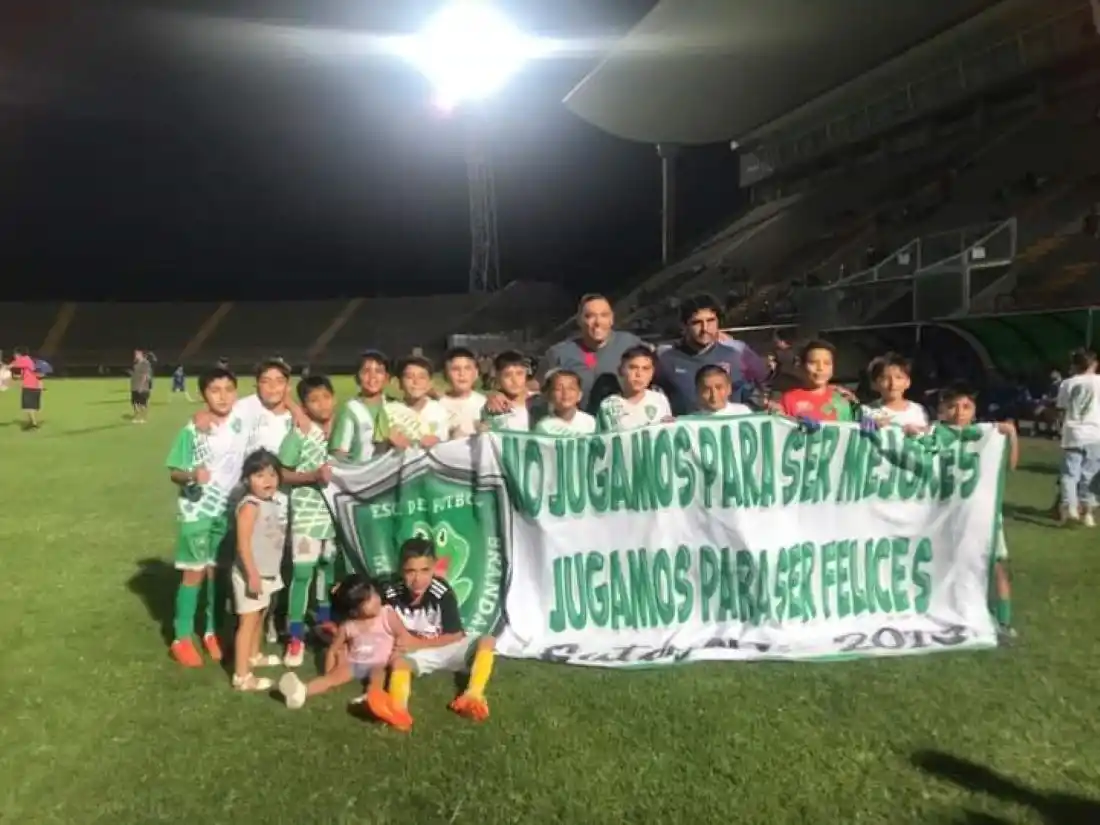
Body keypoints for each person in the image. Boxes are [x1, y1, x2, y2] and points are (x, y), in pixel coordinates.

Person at [164, 367, 250, 667]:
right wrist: (192, 476)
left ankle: (211, 632)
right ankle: (181, 637)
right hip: (197, 510)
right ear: (204, 395)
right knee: (194, 572)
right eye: (215, 390)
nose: (222, 396)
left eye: (228, 389)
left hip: (227, 510)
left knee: (218, 571)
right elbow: (175, 471)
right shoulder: (193, 429)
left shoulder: (241, 421)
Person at [934, 382, 1018, 637]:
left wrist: (1011, 436)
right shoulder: (934, 434)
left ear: (974, 410)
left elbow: (1010, 466)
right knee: (946, 563)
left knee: (995, 563)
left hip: (981, 514)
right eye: (952, 406)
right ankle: (950, 611)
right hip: (945, 513)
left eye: (966, 406)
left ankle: (1003, 619)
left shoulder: (986, 435)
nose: (959, 412)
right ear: (941, 410)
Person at [385, 537, 496, 729]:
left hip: (445, 646)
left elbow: (456, 635)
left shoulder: (441, 591)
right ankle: (398, 709)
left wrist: (417, 643)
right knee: (398, 662)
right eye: (410, 571)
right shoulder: (389, 592)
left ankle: (473, 695)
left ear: (434, 568)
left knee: (487, 640)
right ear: (401, 570)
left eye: (425, 570)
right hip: (416, 653)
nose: (418, 579)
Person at [278, 575, 413, 729]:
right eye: (368, 600)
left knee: (377, 675)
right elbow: (333, 649)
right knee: (332, 679)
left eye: (374, 593)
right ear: (354, 610)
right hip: (354, 662)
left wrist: (397, 653)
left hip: (380, 662)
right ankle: (301, 691)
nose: (375, 599)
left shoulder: (387, 615)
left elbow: (402, 634)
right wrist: (329, 672)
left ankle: (371, 698)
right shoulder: (349, 626)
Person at [486, 294, 644, 417]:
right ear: (579, 320)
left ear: (611, 319)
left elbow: (653, 381)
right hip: (576, 432)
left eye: (604, 315)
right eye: (590, 316)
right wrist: (499, 394)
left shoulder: (631, 344)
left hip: (619, 430)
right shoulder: (559, 353)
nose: (597, 322)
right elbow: (535, 386)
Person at [277, 375, 338, 667]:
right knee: (302, 573)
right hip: (305, 514)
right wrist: (312, 476)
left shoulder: (340, 430)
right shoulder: (299, 433)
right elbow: (281, 472)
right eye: (314, 400)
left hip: (334, 515)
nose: (321, 404)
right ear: (304, 406)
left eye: (326, 397)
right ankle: (295, 636)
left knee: (327, 567)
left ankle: (325, 623)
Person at [231, 449, 289, 691]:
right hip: (252, 574)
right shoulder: (250, 506)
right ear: (247, 479)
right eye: (260, 475)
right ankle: (242, 676)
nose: (268, 481)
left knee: (260, 614)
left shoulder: (271, 502)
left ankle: (254, 656)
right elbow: (243, 544)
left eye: (272, 475)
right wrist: (252, 575)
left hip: (268, 572)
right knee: (248, 621)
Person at [655, 294, 767, 414]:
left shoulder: (736, 355)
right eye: (697, 322)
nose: (705, 328)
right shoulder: (665, 359)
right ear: (683, 325)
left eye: (710, 321)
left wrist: (764, 405)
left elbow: (760, 388)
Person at [1055, 348, 1100, 527]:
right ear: (1093, 364)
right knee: (1089, 475)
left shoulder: (1068, 383)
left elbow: (1061, 409)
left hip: (1073, 432)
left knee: (1069, 474)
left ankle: (1070, 507)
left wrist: (1060, 427)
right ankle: (1088, 512)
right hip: (1095, 433)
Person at [330, 350, 392, 463]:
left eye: (378, 371)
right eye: (366, 371)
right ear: (357, 378)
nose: (372, 376)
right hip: (361, 470)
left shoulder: (394, 406)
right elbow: (339, 453)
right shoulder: (350, 409)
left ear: (386, 378)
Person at [779, 339, 861, 423]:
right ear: (802, 366)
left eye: (827, 363)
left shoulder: (843, 399)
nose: (820, 368)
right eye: (813, 362)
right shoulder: (789, 400)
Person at [597, 345, 673, 432]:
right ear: (621, 370)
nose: (639, 374)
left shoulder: (660, 400)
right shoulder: (608, 406)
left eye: (645, 369)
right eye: (633, 368)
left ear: (652, 373)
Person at [384, 356, 451, 448]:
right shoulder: (388, 411)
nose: (416, 382)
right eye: (409, 377)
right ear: (400, 383)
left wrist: (436, 440)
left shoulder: (439, 411)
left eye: (422, 377)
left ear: (430, 383)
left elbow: (444, 439)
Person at [863, 353, 929, 432]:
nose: (893, 384)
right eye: (885, 378)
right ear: (874, 384)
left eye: (899, 377)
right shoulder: (867, 411)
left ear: (908, 382)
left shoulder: (918, 410)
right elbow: (860, 430)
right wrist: (874, 426)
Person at [439, 346, 486, 439]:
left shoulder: (484, 404)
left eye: (467, 368)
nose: (462, 374)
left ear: (476, 373)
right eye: (455, 369)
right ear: (446, 374)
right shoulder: (438, 405)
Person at [480, 350, 533, 432]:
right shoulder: (495, 405)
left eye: (519, 373)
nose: (514, 380)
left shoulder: (538, 401)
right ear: (497, 376)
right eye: (507, 375)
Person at [533, 369, 597, 435]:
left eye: (571, 388)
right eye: (558, 389)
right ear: (548, 395)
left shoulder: (590, 422)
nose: (565, 393)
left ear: (579, 395)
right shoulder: (544, 426)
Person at [9, 346, 44, 429]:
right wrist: (17, 377)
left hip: (30, 386)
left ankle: (34, 424)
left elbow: (11, 365)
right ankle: (31, 422)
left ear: (19, 354)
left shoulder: (24, 360)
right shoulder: (28, 361)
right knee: (30, 406)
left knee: (28, 406)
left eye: (15, 355)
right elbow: (26, 374)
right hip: (34, 386)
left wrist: (3, 366)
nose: (14, 356)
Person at [130, 349, 153, 424]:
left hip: (143, 387)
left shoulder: (145, 363)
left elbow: (145, 375)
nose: (135, 356)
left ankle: (143, 418)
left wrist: (141, 386)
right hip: (134, 386)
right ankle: (137, 417)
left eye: (137, 354)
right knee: (134, 403)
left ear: (141, 354)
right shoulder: (136, 364)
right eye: (135, 354)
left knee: (142, 404)